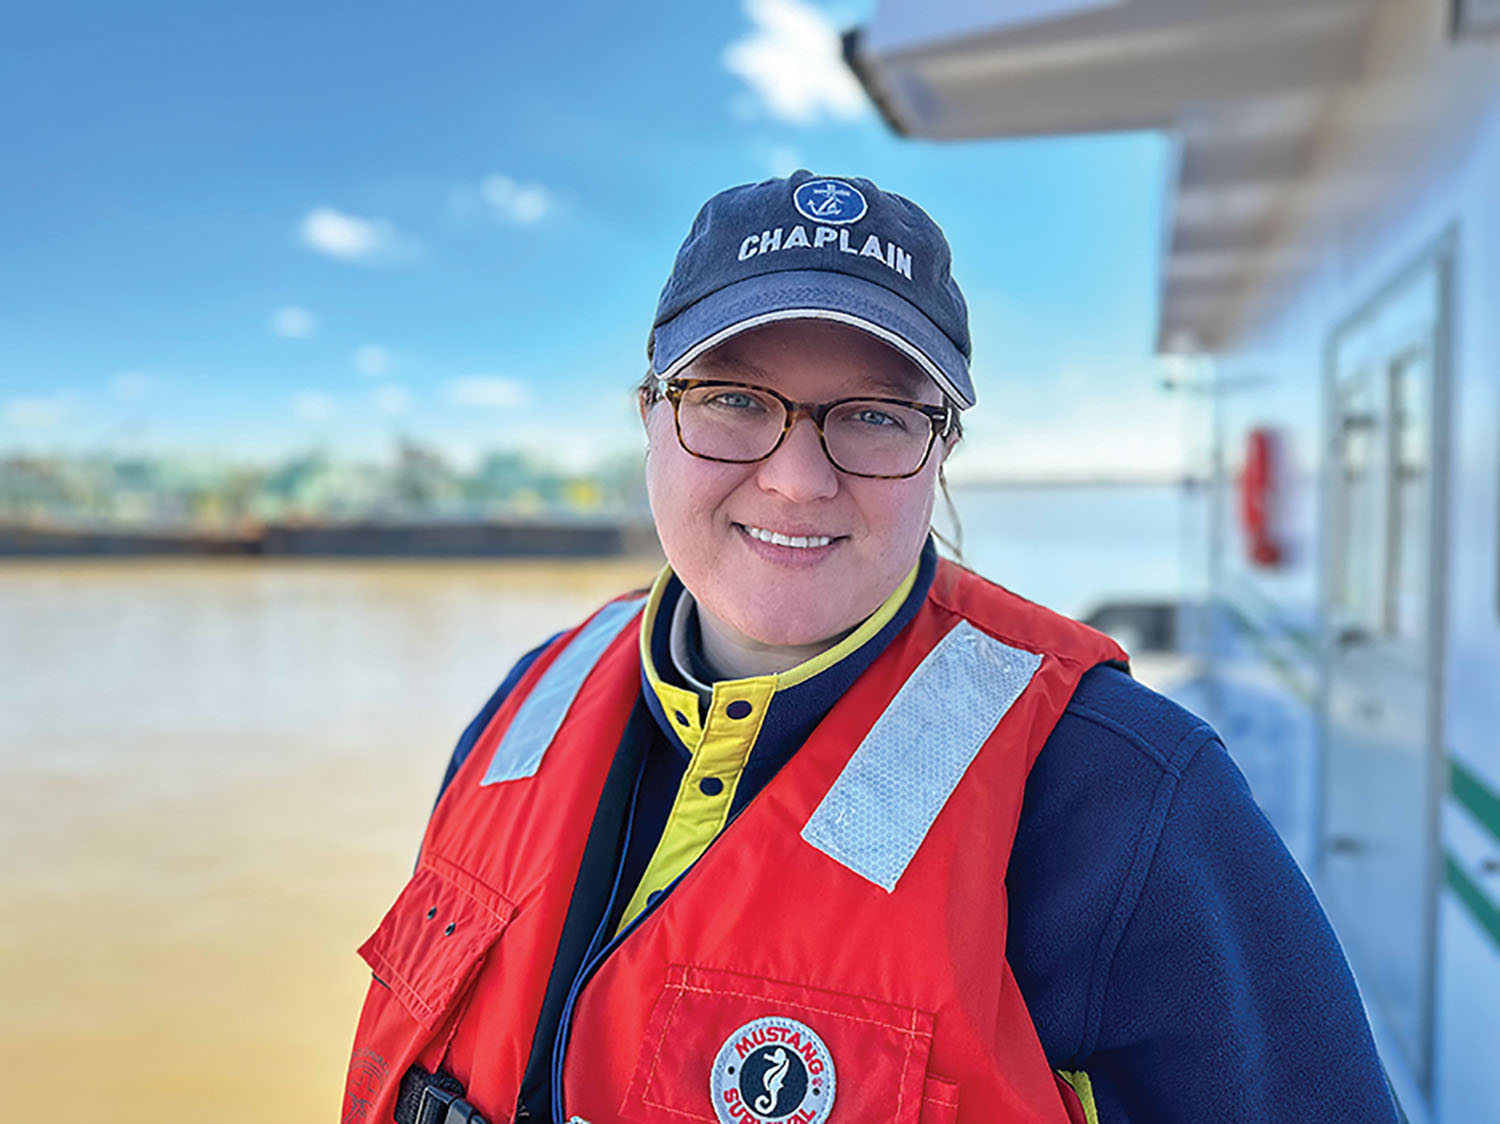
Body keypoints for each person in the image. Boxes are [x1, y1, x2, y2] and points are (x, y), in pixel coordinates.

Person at [343, 171, 1399, 1124]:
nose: (798, 479)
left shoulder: (1121, 797)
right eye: (733, 399)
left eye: (878, 415)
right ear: (651, 418)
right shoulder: (529, 700)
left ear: (943, 452)